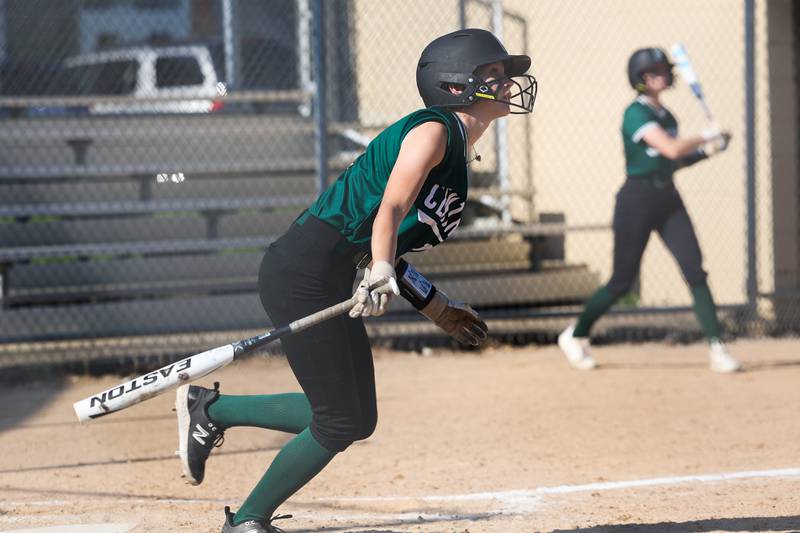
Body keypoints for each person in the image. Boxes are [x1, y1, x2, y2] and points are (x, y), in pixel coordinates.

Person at [173, 28, 537, 533]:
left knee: (355, 418)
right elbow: (390, 208)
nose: (505, 83)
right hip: (303, 269)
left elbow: (387, 244)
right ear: (454, 86)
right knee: (338, 420)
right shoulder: (435, 130)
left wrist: (437, 306)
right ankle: (248, 520)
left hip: (329, 271)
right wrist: (382, 268)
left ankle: (212, 409)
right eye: (491, 74)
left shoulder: (457, 152)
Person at [558, 47, 741, 374]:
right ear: (641, 79)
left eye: (664, 70)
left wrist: (709, 151)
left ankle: (717, 347)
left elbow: (674, 160)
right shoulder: (635, 114)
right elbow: (670, 147)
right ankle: (576, 334)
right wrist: (703, 136)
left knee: (695, 270)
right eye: (654, 71)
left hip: (668, 198)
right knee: (621, 282)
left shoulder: (667, 116)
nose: (663, 75)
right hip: (636, 201)